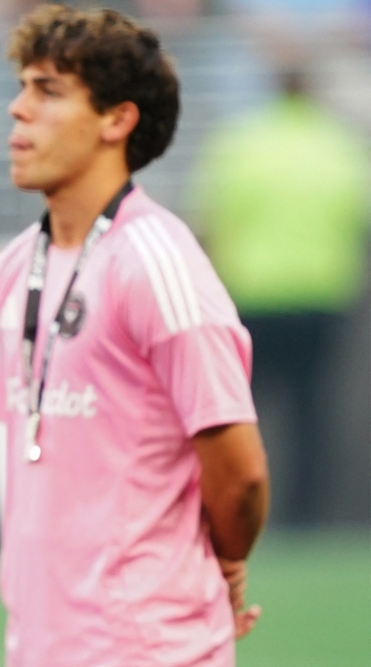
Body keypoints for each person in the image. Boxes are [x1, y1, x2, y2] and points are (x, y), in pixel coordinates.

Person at [0, 6, 270, 666]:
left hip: (148, 647)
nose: (17, 109)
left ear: (117, 120)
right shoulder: (10, 268)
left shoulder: (157, 261)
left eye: (48, 90)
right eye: (23, 86)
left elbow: (242, 472)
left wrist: (221, 562)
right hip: (40, 646)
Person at [192, 67, 370, 525]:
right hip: (320, 295)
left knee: (238, 409)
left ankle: (236, 506)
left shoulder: (241, 143)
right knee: (310, 411)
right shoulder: (338, 145)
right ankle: (303, 511)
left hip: (252, 295)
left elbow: (212, 218)